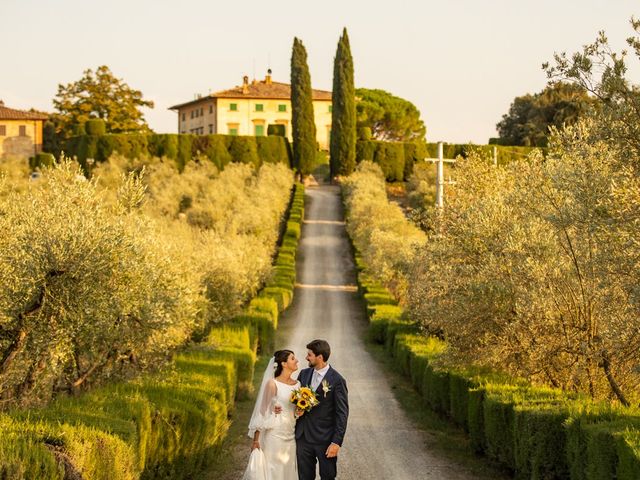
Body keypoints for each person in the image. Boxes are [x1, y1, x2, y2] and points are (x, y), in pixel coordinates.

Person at [294, 339, 349, 480]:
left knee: (327, 476)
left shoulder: (337, 380)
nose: (306, 357)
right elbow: (297, 401)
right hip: (303, 437)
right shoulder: (304, 374)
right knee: (304, 477)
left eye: (309, 355)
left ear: (320, 357)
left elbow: (342, 414)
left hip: (325, 439)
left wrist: (336, 442)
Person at [243, 350, 300, 480]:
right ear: (284, 364)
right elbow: (261, 412)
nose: (297, 360)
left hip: (290, 435)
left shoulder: (298, 384)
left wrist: (299, 411)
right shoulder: (272, 384)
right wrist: (256, 440)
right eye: (293, 358)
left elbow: (294, 409)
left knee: (288, 470)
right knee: (273, 470)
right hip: (274, 435)